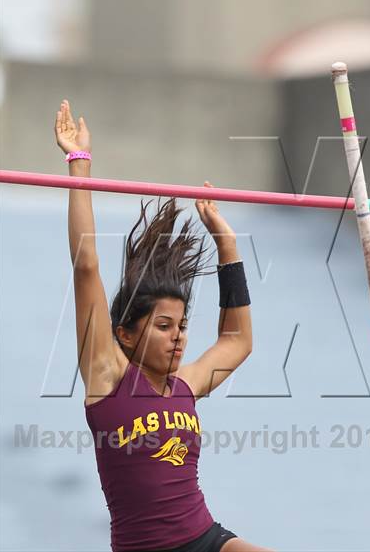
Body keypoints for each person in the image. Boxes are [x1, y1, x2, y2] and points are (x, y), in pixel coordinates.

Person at [54, 99, 274, 552]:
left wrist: (227, 246)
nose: (178, 336)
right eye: (164, 326)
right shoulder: (107, 375)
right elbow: (86, 267)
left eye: (182, 326)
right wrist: (80, 163)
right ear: (126, 334)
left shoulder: (186, 384)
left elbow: (238, 340)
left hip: (206, 539)